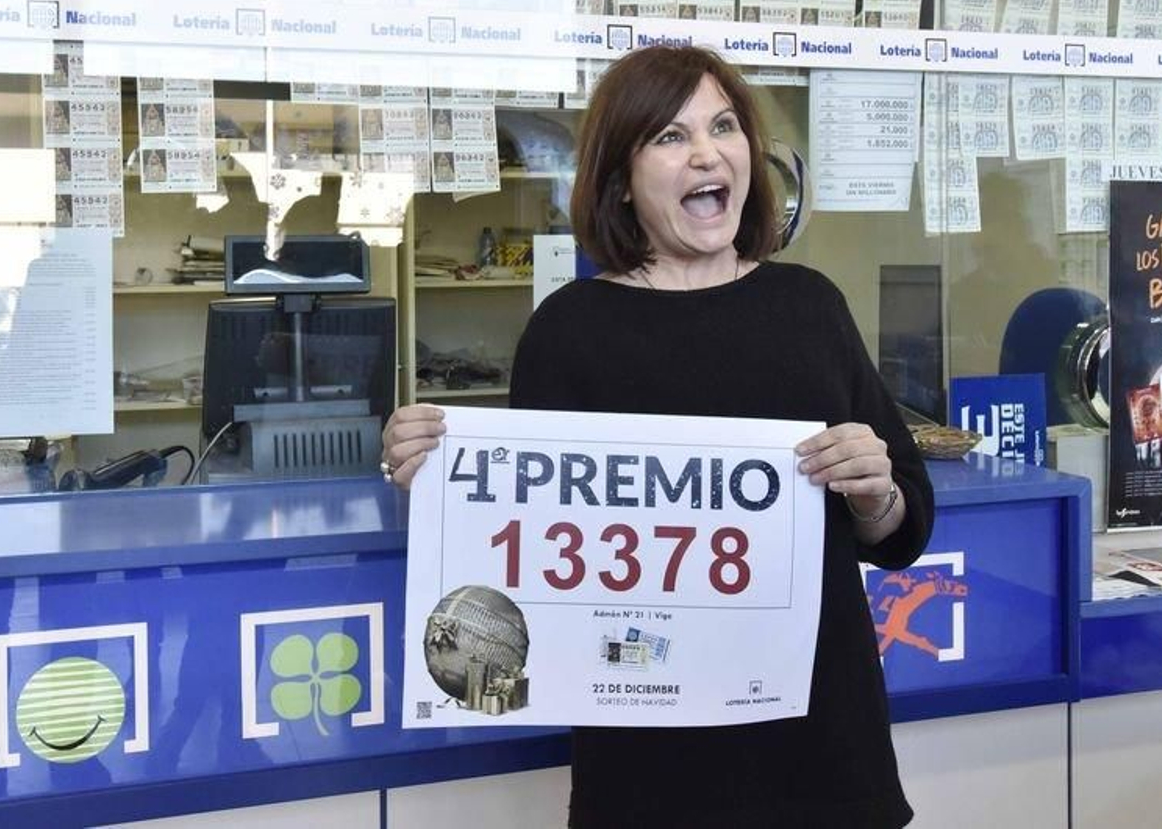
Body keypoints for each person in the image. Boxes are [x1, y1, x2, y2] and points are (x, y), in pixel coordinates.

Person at [380, 44, 934, 828]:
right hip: (645, 771)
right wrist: (432, 473)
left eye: (724, 126)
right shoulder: (570, 332)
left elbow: (900, 531)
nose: (708, 152)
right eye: (671, 137)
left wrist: (876, 494)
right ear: (621, 179)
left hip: (822, 756)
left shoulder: (810, 307)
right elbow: (516, 554)